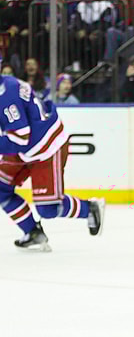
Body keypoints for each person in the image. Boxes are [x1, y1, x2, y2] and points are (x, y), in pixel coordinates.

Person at [0, 55, 105, 251]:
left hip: (46, 147)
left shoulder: (6, 97)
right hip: (27, 145)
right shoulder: (7, 83)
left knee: (48, 209)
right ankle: (33, 232)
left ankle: (89, 209)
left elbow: (20, 138)